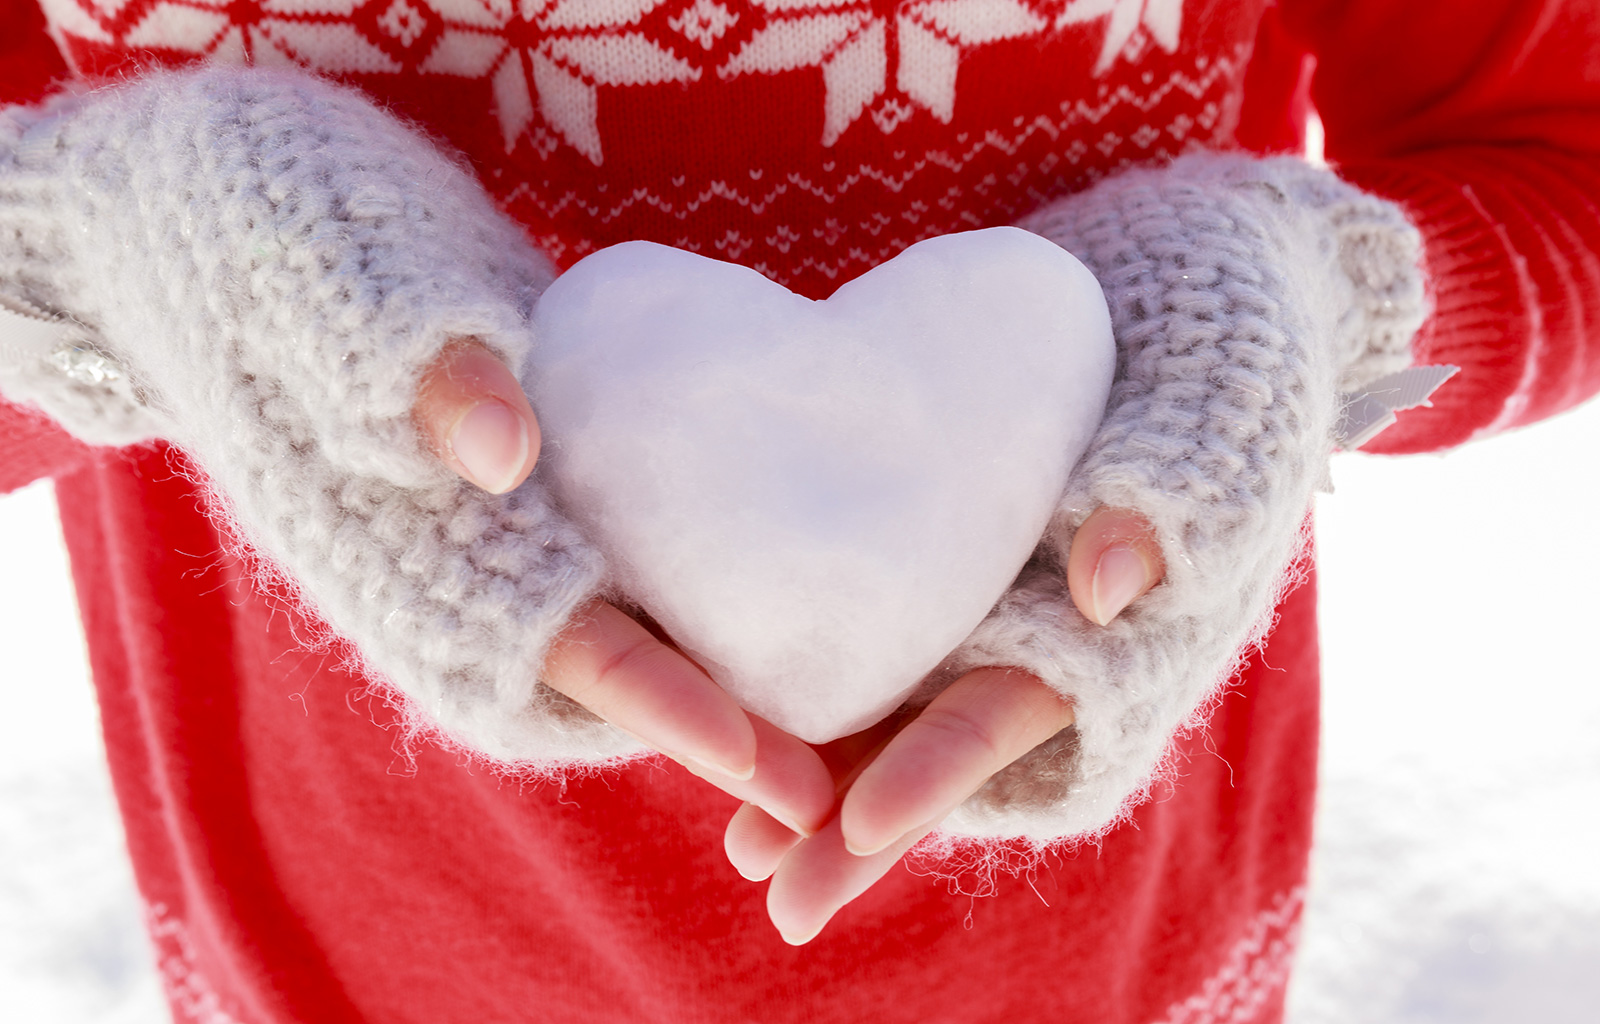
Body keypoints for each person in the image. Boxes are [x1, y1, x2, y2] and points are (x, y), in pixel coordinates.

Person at [1, 0, 1596, 1021]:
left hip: (1104, 956)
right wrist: (79, 253)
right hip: (344, 938)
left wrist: (1326, 304)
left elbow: (1562, 159)